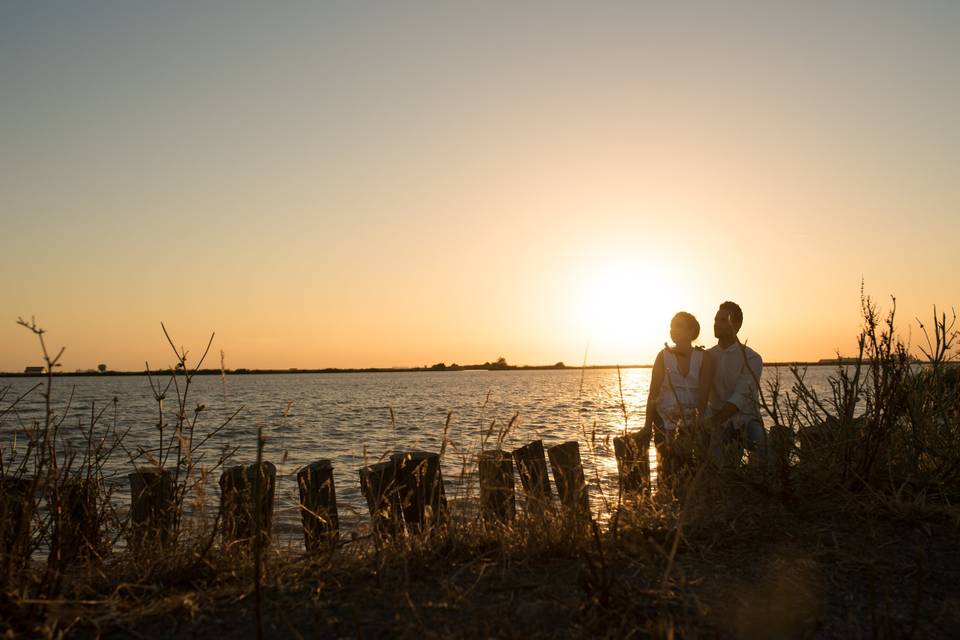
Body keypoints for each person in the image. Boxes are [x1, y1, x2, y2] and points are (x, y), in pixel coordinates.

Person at [643, 312, 714, 480]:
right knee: (667, 472)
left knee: (690, 470)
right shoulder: (663, 356)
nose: (673, 329)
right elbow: (653, 392)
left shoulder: (704, 358)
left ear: (691, 331)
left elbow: (703, 397)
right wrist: (647, 426)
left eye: (679, 325)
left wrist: (694, 427)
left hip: (692, 421)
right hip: (664, 419)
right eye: (671, 326)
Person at [704, 301, 766, 465]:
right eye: (716, 319)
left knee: (762, 442)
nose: (716, 324)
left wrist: (714, 421)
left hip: (745, 420)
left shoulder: (752, 358)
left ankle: (762, 481)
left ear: (737, 325)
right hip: (717, 421)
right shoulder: (707, 356)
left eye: (723, 320)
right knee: (713, 464)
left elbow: (740, 396)